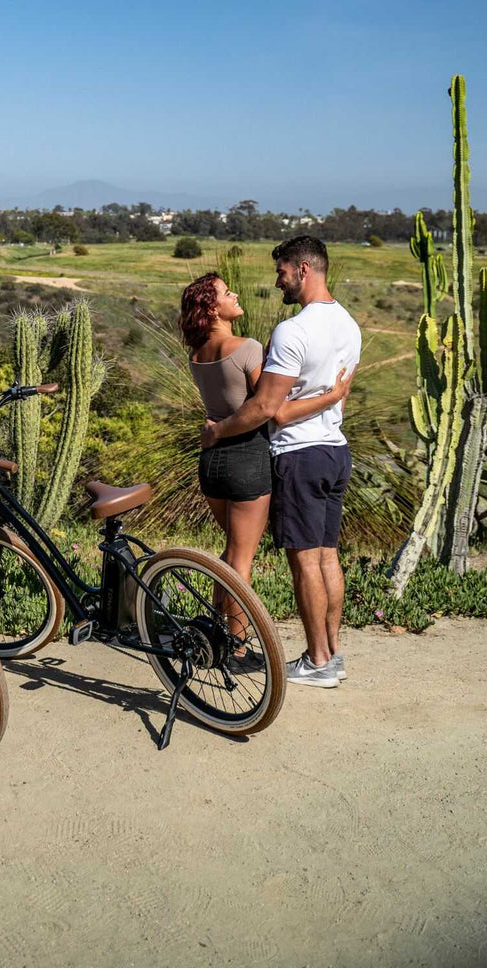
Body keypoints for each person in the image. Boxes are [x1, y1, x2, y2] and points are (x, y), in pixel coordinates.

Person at [199, 236, 361, 688]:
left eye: (283, 272)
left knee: (305, 562)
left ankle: (317, 661)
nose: (278, 281)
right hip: (334, 450)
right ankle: (331, 653)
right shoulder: (349, 325)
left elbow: (268, 409)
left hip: (299, 455)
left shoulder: (295, 330)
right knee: (328, 556)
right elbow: (336, 399)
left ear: (304, 269)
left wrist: (218, 431)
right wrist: (329, 397)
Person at [180, 271, 352, 609]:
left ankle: (217, 634)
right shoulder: (245, 348)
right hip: (247, 459)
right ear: (212, 309)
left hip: (212, 461)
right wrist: (332, 397)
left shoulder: (197, 355)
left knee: (230, 554)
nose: (234, 296)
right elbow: (272, 407)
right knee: (241, 562)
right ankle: (238, 645)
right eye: (226, 294)